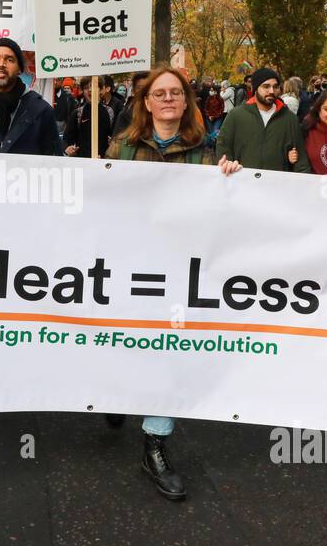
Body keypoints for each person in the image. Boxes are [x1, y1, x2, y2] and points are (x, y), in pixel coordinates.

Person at [104, 64, 242, 499]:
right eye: (159, 93)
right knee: (124, 342)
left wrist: (232, 183)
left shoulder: (206, 153)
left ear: (186, 103)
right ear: (146, 103)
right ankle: (113, 393)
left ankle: (155, 444)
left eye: (175, 93)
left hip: (177, 271)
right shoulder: (122, 149)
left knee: (168, 350)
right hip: (127, 264)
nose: (167, 99)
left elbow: (221, 213)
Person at [216, 67, 312, 173]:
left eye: (275, 87)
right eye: (266, 86)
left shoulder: (290, 119)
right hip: (242, 182)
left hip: (277, 184)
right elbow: (223, 145)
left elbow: (300, 160)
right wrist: (228, 164)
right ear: (255, 88)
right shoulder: (236, 115)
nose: (271, 91)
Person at [64, 88, 113, 158]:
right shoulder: (78, 113)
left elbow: (115, 138)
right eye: (87, 87)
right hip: (81, 162)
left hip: (103, 162)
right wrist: (68, 148)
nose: (90, 89)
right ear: (82, 91)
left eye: (94, 86)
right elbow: (67, 138)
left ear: (101, 90)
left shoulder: (109, 112)